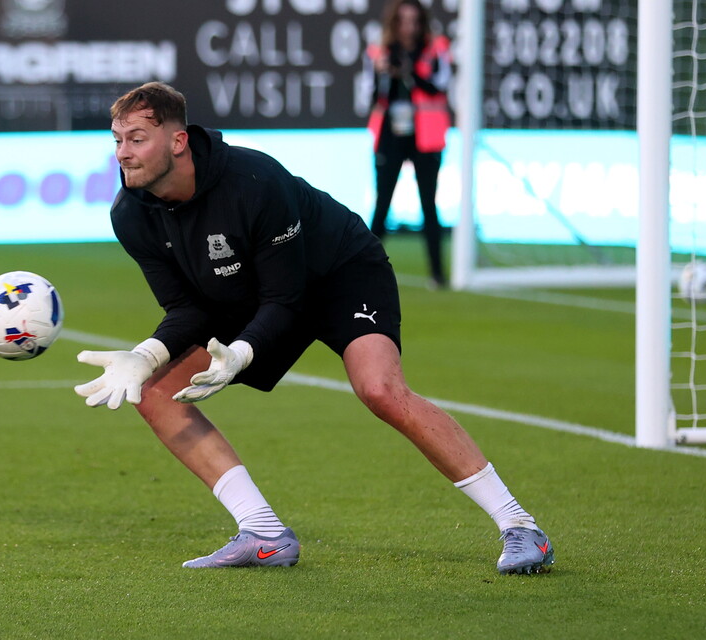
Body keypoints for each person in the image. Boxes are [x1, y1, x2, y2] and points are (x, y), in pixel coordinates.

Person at [73, 81, 554, 575]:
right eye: (117, 140)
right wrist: (148, 354)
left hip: (338, 273)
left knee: (380, 389)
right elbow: (186, 309)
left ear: (177, 142)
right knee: (151, 390)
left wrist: (240, 354)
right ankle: (263, 533)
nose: (123, 154)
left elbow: (288, 298)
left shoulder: (254, 179)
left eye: (136, 139)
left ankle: (521, 527)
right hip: (256, 290)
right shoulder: (130, 214)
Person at [363, 0, 452, 289]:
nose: (408, 27)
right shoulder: (379, 51)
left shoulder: (436, 48)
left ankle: (438, 274)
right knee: (382, 203)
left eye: (414, 20)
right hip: (391, 133)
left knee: (429, 204)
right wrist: (383, 72)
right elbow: (372, 95)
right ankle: (364, 270)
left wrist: (410, 72)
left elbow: (439, 85)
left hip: (425, 136)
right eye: (403, 20)